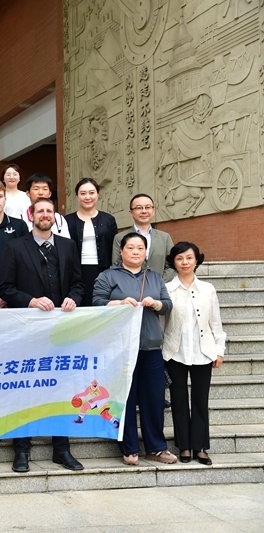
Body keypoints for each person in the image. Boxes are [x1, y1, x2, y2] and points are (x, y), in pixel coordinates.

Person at [0, 198, 85, 473]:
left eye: (49, 211)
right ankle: (21, 450)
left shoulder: (68, 246)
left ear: (55, 216)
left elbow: (79, 283)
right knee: (24, 390)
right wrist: (31, 301)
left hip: (61, 330)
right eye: (40, 211)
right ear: (31, 215)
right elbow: (6, 287)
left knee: (62, 389)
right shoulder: (14, 247)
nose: (44, 215)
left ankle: (62, 449)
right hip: (27, 330)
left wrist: (72, 297)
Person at [93, 233, 175, 466]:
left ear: (146, 253)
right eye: (131, 247)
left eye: (140, 248)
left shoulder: (156, 278)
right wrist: (118, 303)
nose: (136, 252)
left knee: (154, 399)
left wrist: (156, 303)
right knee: (124, 398)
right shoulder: (109, 276)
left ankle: (156, 447)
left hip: (150, 345)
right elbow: (96, 302)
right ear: (122, 251)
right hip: (120, 348)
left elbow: (168, 306)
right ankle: (129, 448)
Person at [163, 242, 226, 465]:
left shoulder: (208, 289)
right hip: (174, 353)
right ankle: (185, 447)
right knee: (179, 401)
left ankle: (200, 447)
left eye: (189, 258)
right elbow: (162, 323)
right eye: (180, 259)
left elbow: (215, 323)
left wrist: (219, 350)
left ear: (197, 260)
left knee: (200, 400)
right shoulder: (167, 289)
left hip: (203, 352)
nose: (185, 262)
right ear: (174, 262)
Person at [64, 178, 118, 306]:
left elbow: (114, 246)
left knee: (101, 304)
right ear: (77, 196)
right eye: (83, 193)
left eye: (91, 193)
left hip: (103, 270)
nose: (87, 197)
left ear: (98, 195)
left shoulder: (108, 219)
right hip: (76, 271)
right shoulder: (67, 220)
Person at [112, 193, 175, 281]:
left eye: (148, 207)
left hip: (159, 289)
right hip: (130, 290)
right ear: (131, 213)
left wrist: (159, 284)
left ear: (153, 211)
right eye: (139, 208)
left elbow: (172, 265)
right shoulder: (120, 238)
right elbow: (117, 265)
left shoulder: (165, 237)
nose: (144, 211)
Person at [19, 173, 70, 238]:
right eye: (36, 189)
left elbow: (65, 243)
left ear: (50, 194)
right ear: (28, 193)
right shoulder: (20, 219)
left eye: (45, 189)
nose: (41, 193)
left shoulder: (59, 219)